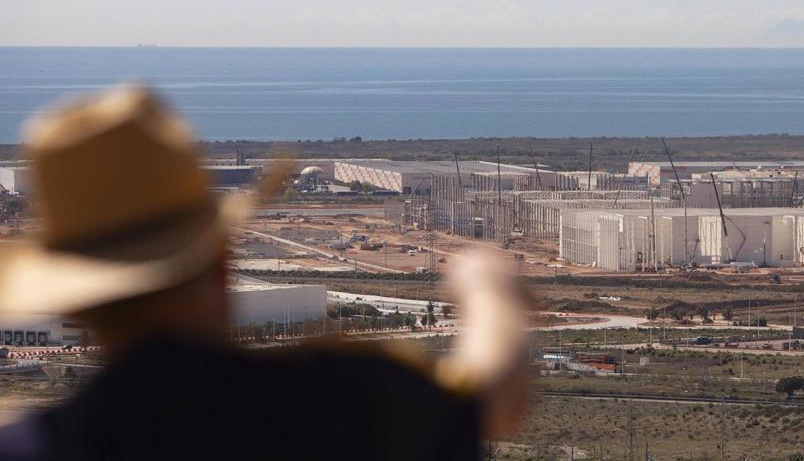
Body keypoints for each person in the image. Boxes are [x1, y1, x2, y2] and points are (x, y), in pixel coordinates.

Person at [0, 86, 530, 460]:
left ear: (70, 299)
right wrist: (488, 290)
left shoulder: (33, 446)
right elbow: (491, 398)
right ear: (219, 260)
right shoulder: (344, 404)